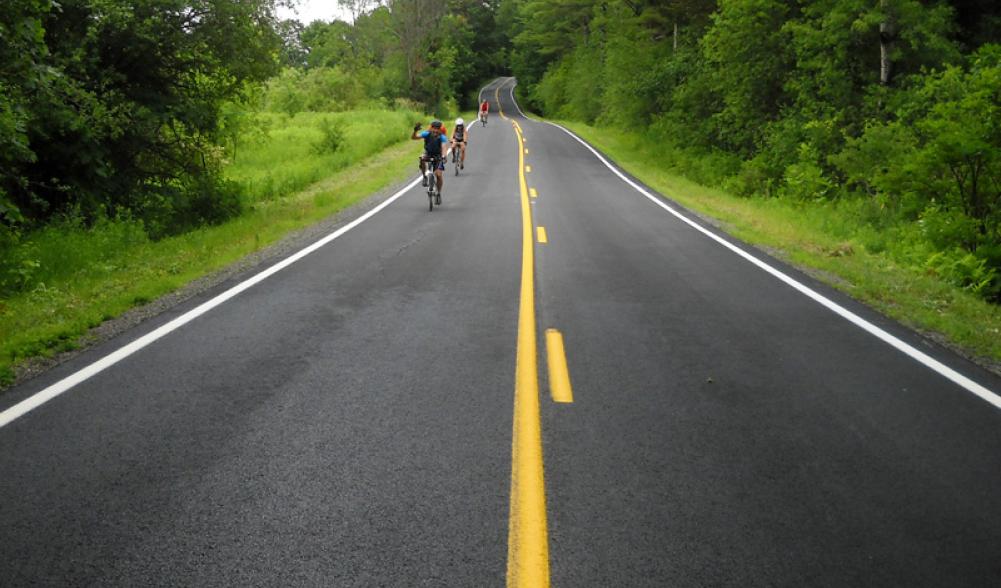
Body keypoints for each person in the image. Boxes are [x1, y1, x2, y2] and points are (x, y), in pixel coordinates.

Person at [411, 120, 447, 194]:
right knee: (421, 158)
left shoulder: (442, 137)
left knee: (439, 175)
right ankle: (424, 176)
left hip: (438, 156)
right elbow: (414, 138)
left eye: (437, 128)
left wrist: (444, 156)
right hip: (428, 153)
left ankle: (438, 193)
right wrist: (415, 131)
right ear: (431, 128)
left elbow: (444, 147)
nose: (435, 130)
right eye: (434, 128)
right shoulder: (426, 134)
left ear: (440, 129)